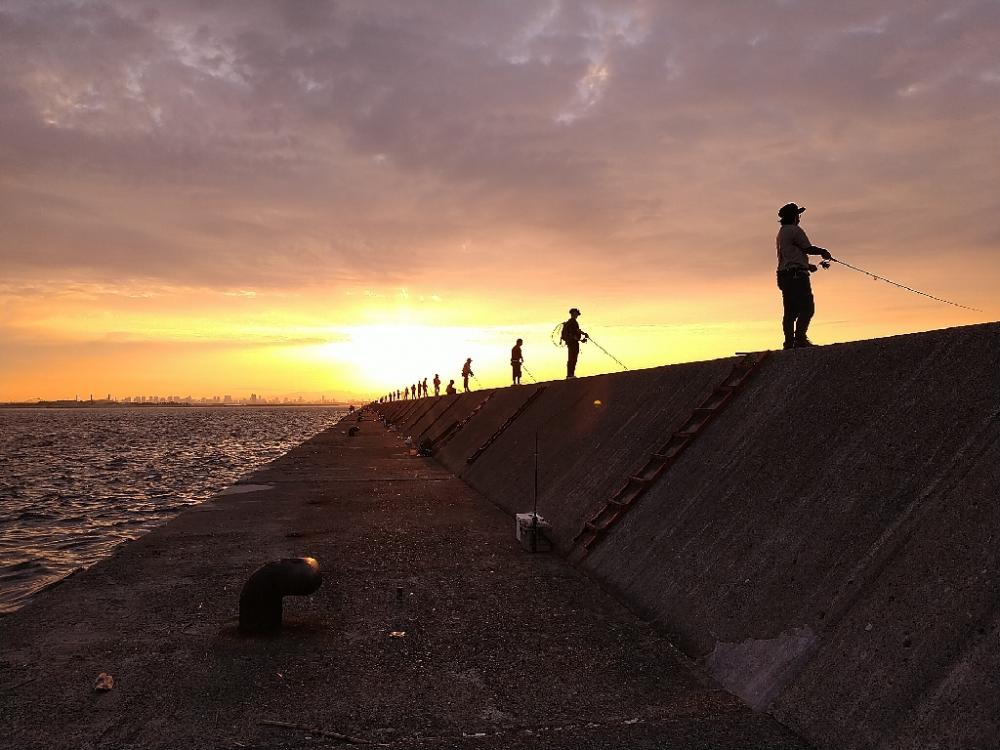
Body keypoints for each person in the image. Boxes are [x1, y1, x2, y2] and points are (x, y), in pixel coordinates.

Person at [776, 202, 832, 349]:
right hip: (797, 277)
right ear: (794, 217)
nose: (799, 218)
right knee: (807, 308)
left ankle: (789, 343)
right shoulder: (795, 230)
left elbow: (788, 256)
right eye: (798, 215)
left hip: (784, 276)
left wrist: (807, 266)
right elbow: (807, 248)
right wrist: (823, 251)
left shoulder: (781, 233)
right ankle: (800, 339)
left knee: (790, 311)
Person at [560, 308, 588, 378]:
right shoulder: (573, 322)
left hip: (571, 342)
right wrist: (583, 336)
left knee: (572, 358)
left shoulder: (570, 322)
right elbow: (576, 331)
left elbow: (576, 331)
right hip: (573, 343)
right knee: (573, 358)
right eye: (576, 313)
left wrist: (583, 335)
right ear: (573, 314)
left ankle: (570, 374)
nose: (577, 315)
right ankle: (570, 375)